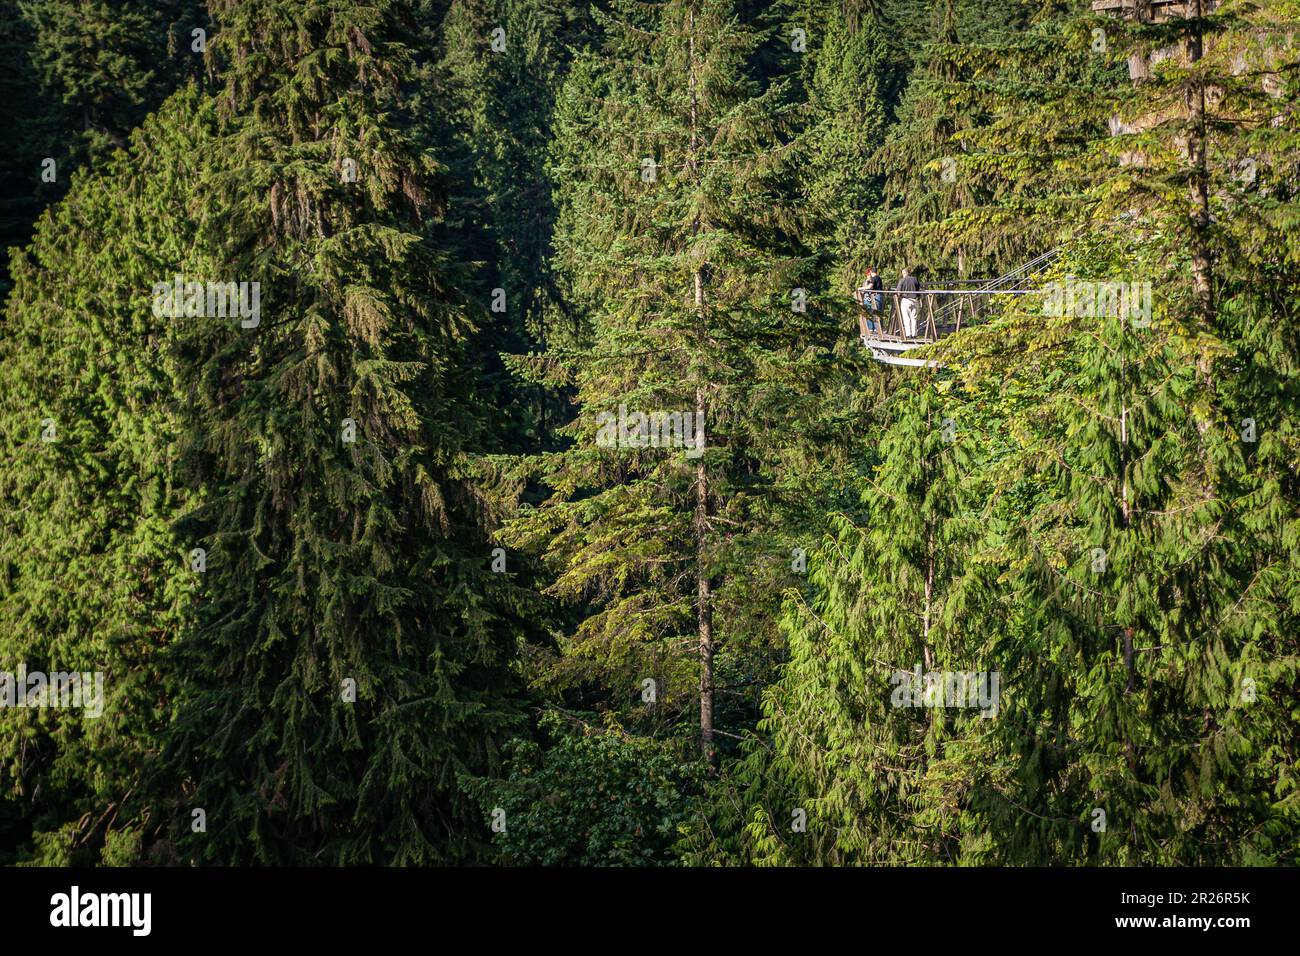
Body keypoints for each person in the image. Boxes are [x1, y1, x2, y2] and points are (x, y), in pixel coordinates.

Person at [856, 267, 884, 333]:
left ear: (871, 272)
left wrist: (860, 288)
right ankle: (874, 329)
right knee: (873, 312)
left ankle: (874, 329)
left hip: (876, 297)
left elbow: (869, 287)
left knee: (874, 312)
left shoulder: (874, 278)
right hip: (875, 297)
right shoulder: (878, 278)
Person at [897, 266, 921, 338]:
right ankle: (914, 334)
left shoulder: (902, 280)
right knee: (914, 318)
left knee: (906, 318)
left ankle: (908, 334)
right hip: (914, 300)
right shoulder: (915, 279)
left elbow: (898, 292)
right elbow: (918, 289)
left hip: (905, 300)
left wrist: (899, 295)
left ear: (904, 273)